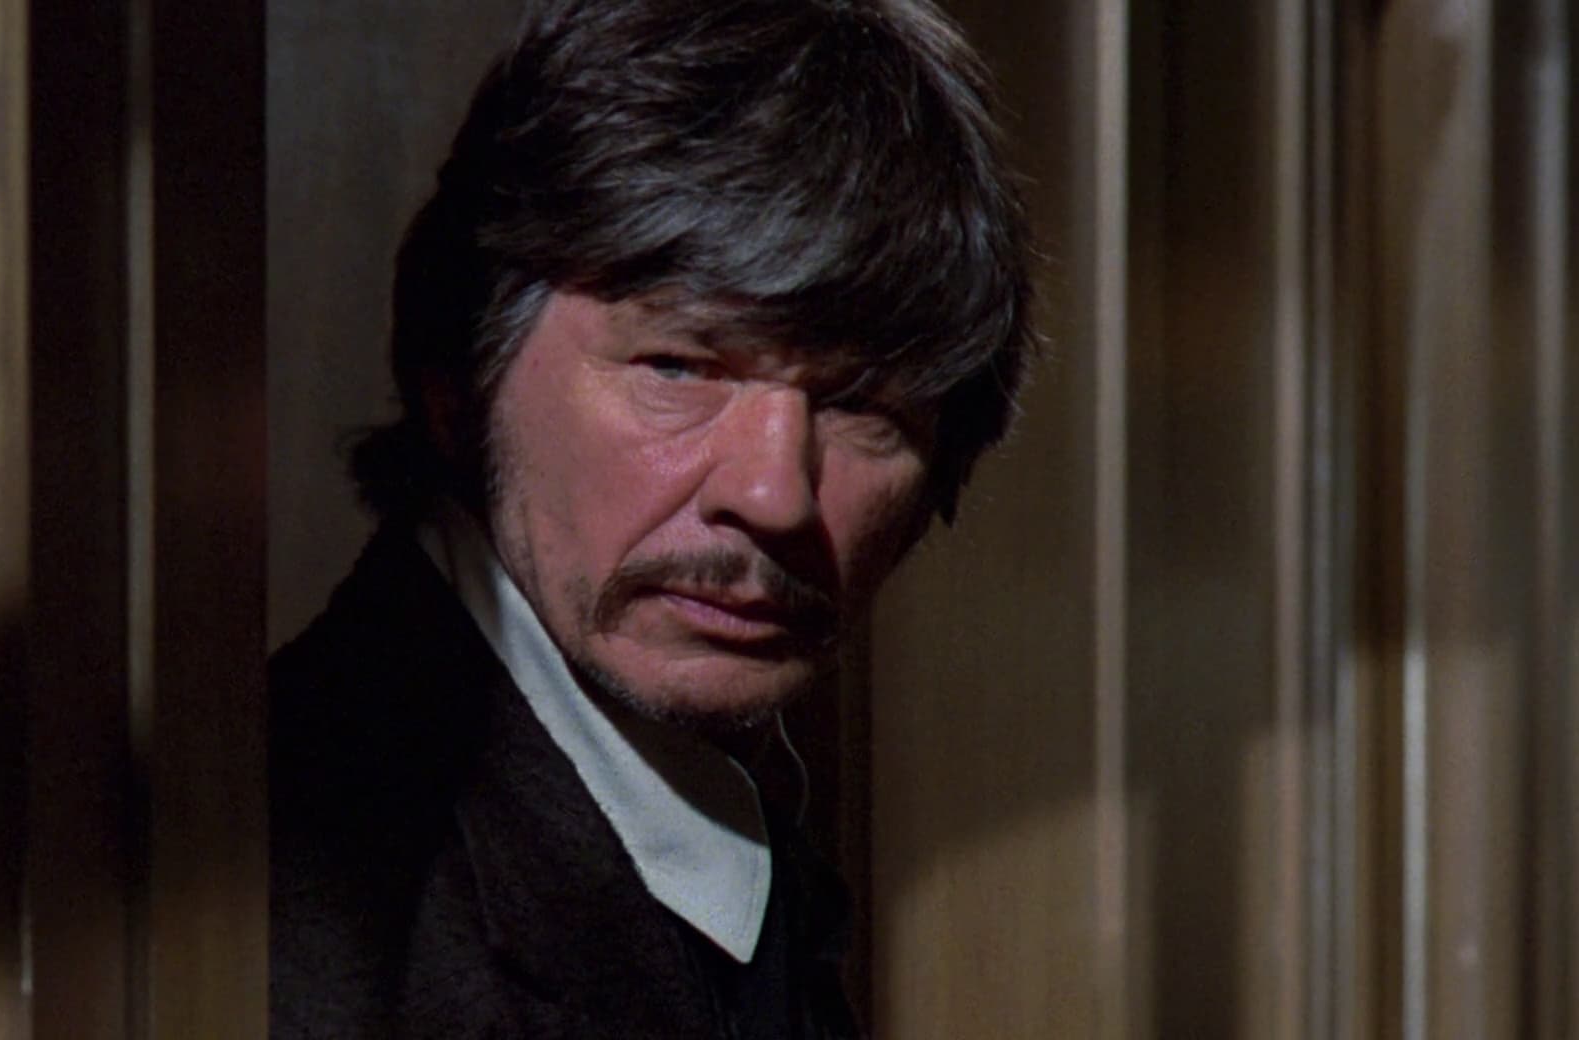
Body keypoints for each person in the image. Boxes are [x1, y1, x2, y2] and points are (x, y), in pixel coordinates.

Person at [268, 0, 1035, 1036]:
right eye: (677, 366)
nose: (772, 493)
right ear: (458, 383)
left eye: (861, 404)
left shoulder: (724, 843)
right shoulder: (304, 923)